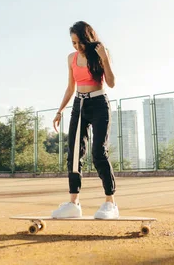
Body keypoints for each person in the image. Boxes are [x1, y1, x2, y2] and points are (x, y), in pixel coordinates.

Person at [51, 21, 118, 219]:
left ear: (88, 39)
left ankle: (110, 203)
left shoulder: (100, 53)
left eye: (80, 42)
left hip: (99, 104)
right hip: (79, 106)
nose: (77, 47)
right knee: (73, 155)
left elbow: (112, 83)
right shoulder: (71, 58)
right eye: (73, 43)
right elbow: (70, 88)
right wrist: (60, 110)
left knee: (98, 152)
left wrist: (105, 59)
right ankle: (74, 204)